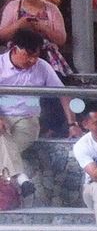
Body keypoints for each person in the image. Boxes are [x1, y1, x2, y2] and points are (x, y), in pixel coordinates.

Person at [0, 28, 77, 197]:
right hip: (2, 117)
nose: (33, 60)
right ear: (15, 48)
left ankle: (19, 178)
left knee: (4, 145)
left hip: (27, 119)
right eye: (28, 55)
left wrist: (73, 124)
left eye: (36, 55)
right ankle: (22, 179)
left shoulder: (43, 67)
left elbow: (63, 94)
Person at [0, 0, 71, 81]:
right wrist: (18, 25)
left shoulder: (52, 9)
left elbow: (61, 39)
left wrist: (44, 28)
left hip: (45, 53)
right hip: (19, 52)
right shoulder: (13, 6)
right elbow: (2, 36)